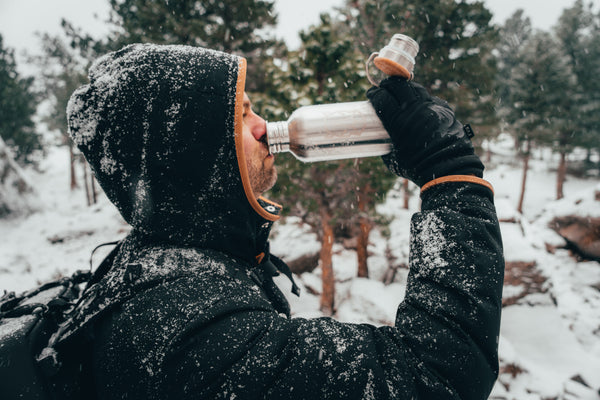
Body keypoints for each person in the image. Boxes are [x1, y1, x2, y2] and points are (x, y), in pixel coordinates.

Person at [54, 43, 504, 399]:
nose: (263, 126)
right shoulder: (184, 331)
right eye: (242, 113)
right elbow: (435, 376)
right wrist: (449, 175)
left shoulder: (173, 260)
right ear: (190, 149)